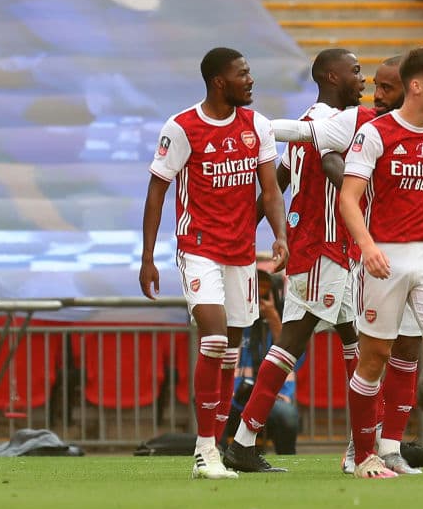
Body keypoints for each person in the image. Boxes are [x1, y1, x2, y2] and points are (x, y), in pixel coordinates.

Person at [273, 56, 423, 474]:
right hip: (384, 257)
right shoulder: (372, 133)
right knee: (373, 358)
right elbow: (348, 197)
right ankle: (364, 456)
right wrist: (367, 247)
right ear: (417, 86)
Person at [139, 47, 288, 480]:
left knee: (229, 354)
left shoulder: (257, 126)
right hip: (199, 248)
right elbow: (157, 190)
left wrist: (279, 234)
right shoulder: (182, 127)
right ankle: (205, 449)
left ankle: (216, 448)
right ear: (220, 82)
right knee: (215, 340)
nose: (251, 80)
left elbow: (270, 191)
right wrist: (148, 258)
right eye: (243, 74)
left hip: (241, 254)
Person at [223, 48, 364, 473]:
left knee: (358, 343)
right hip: (324, 250)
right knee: (293, 342)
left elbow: (280, 180)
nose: (363, 79)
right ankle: (243, 441)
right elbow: (327, 162)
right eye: (356, 71)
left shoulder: (311, 123)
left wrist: (252, 228)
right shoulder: (326, 127)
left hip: (325, 249)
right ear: (332, 77)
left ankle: (366, 445)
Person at [222, 268, 301, 455]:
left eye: (264, 288)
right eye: (254, 289)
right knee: (216, 405)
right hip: (235, 396)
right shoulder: (236, 321)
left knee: (288, 416)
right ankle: (219, 455)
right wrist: (243, 311)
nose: (259, 295)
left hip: (275, 399)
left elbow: (294, 360)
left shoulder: (286, 324)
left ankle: (287, 459)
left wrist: (273, 317)